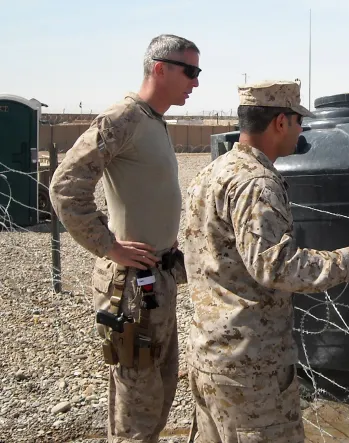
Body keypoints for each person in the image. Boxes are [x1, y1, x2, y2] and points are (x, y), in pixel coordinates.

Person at [183, 80, 349, 443]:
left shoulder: (212, 173)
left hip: (210, 354)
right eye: (298, 121)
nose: (302, 130)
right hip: (252, 369)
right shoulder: (256, 183)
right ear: (281, 121)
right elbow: (276, 267)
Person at [48, 34, 200, 442]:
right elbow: (65, 187)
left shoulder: (154, 121)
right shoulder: (124, 118)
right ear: (160, 68)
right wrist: (109, 245)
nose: (196, 83)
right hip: (131, 288)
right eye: (191, 71)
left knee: (159, 394)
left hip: (157, 280)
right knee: (137, 406)